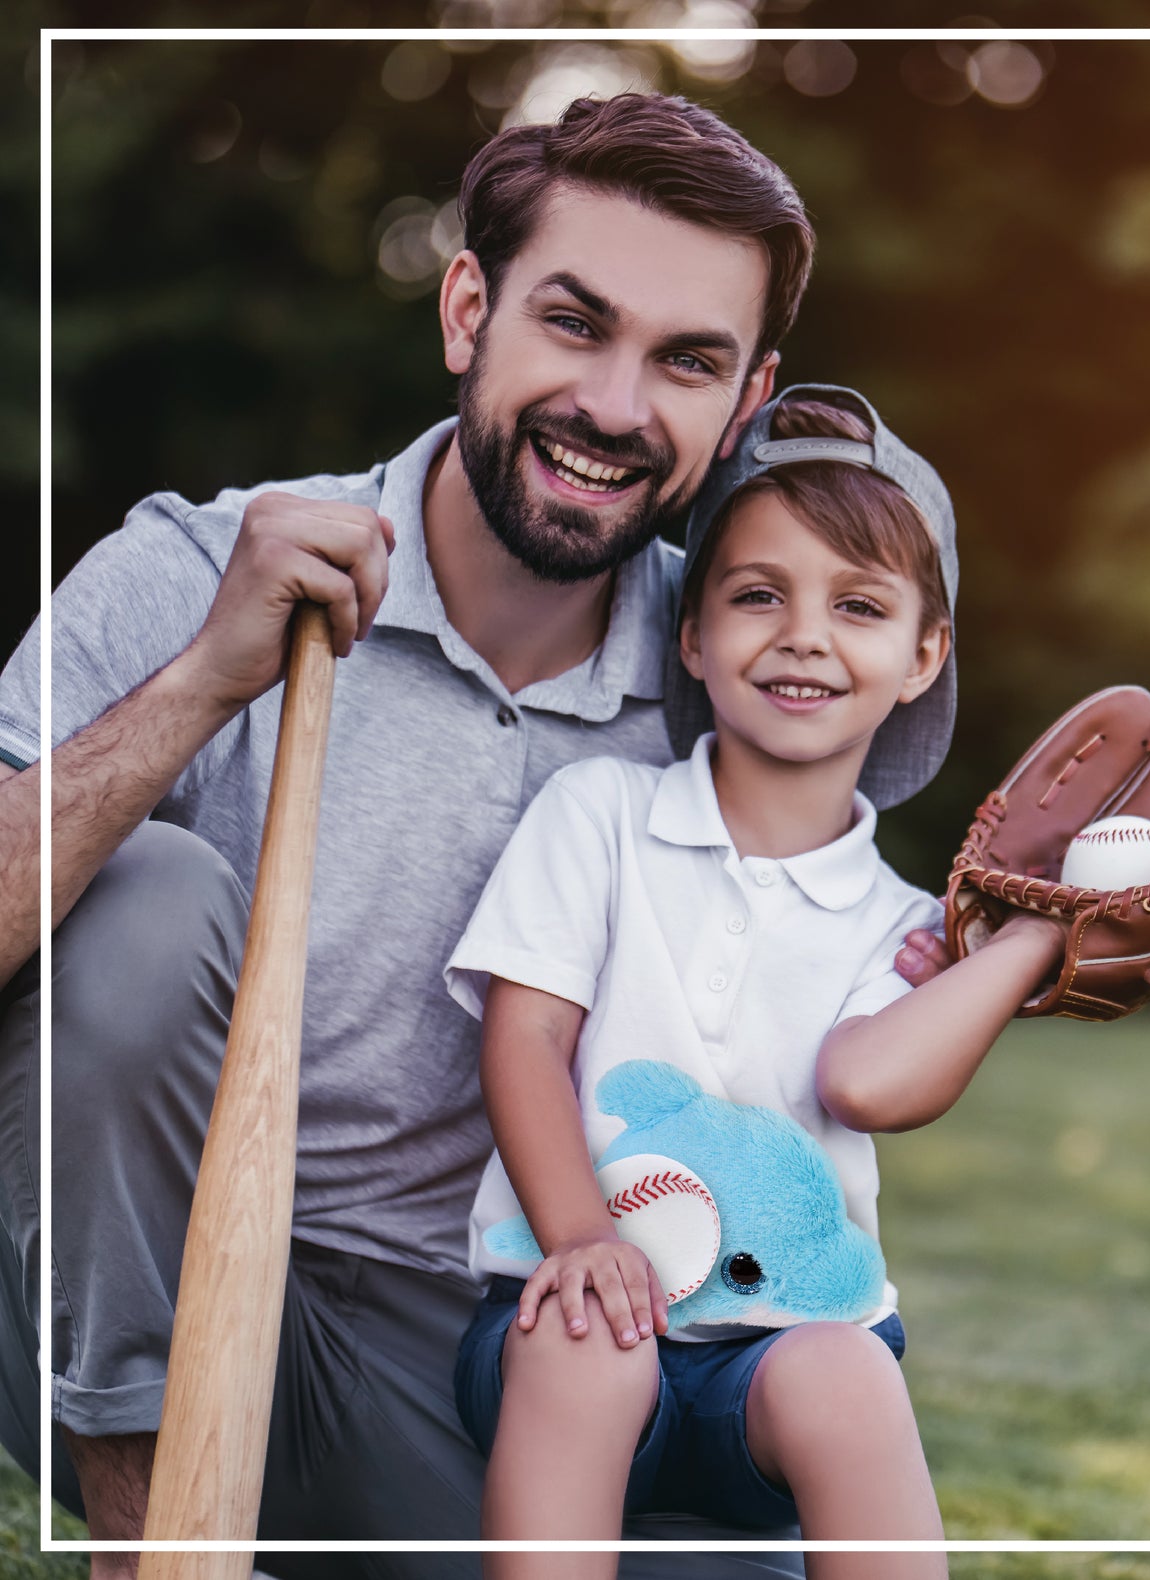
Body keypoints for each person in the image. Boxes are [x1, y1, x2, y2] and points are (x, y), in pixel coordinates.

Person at [0, 93, 947, 1577]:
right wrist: (200, 683)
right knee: (146, 903)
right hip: (120, 1291)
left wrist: (1053, 939)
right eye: (574, 323)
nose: (618, 407)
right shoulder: (197, 566)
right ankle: (163, 1555)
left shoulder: (739, 667)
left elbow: (860, 926)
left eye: (686, 361)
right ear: (466, 308)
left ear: (747, 397)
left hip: (476, 1344)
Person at [443, 387, 1064, 1579]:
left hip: (769, 1363)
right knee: (588, 1338)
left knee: (845, 1371)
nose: (804, 634)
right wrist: (581, 1238)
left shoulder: (903, 927)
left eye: (861, 605)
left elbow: (869, 1082)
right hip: (559, 1311)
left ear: (922, 653)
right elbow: (521, 1041)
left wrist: (1026, 941)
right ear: (691, 631)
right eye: (757, 594)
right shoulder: (601, 816)